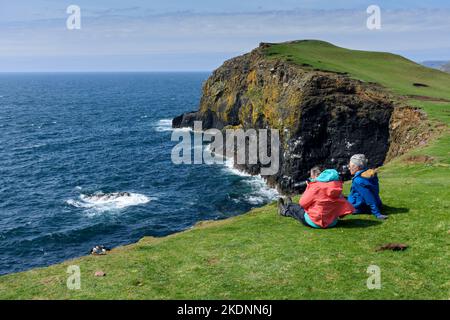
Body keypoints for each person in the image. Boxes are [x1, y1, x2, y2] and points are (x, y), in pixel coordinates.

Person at [278, 166, 354, 228]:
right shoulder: (337, 187)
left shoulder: (316, 187)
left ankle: (285, 210)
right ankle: (289, 206)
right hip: (332, 222)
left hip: (315, 222)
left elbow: (302, 203)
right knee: (297, 208)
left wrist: (309, 187)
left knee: (297, 209)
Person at [347, 154, 387, 220]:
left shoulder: (358, 180)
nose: (349, 168)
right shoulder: (369, 174)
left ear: (357, 167)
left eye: (350, 166)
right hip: (376, 204)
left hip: (359, 206)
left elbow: (368, 196)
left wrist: (377, 214)